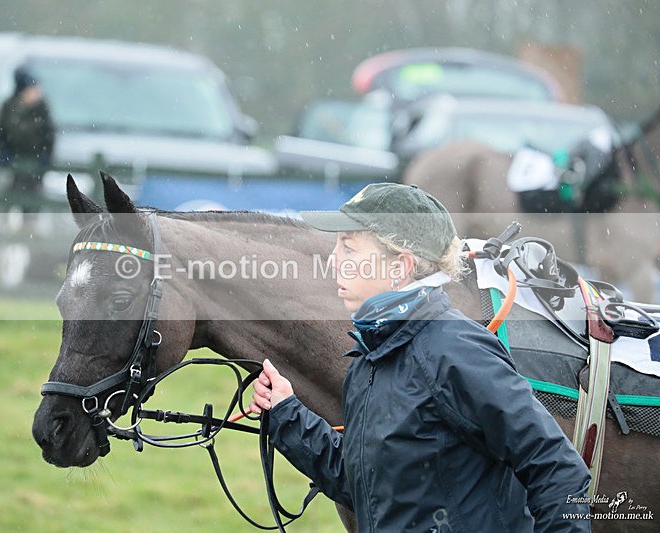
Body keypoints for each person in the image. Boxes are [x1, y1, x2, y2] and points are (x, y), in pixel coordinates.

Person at [249, 183, 592, 531]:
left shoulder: (456, 349)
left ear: (400, 267)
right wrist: (286, 413)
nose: (332, 259)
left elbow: (556, 467)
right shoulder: (370, 357)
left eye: (348, 248)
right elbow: (368, 487)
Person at [0, 65, 55, 204]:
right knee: (12, 196)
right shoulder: (9, 106)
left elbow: (49, 135)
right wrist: (4, 151)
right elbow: (2, 132)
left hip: (34, 162)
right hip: (15, 161)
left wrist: (45, 155)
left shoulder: (42, 109)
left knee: (32, 198)